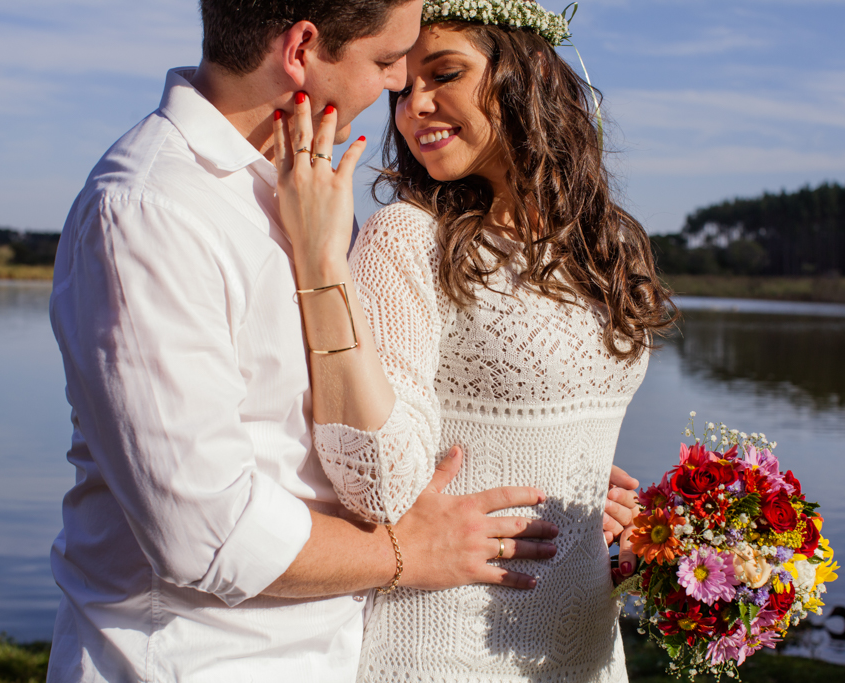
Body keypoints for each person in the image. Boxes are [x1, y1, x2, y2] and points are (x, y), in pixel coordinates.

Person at [45, 0, 639, 681]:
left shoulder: (302, 187)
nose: (399, 89)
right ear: (301, 49)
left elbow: (364, 410)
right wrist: (411, 551)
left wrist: (546, 468)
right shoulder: (151, 210)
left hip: (335, 649)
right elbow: (204, 532)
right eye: (388, 61)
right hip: (196, 659)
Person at [271, 0, 677, 680]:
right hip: (445, 643)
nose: (413, 106)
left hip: (587, 644)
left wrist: (617, 515)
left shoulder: (609, 247)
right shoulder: (408, 237)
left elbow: (558, 432)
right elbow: (376, 481)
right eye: (402, 89)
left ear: (529, 73)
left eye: (445, 74)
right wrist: (322, 261)